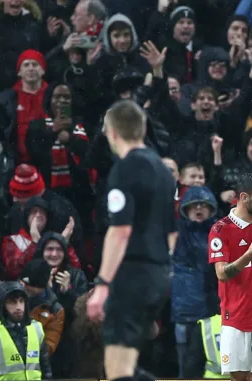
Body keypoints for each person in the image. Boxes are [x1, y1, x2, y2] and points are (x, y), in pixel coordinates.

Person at [85, 100, 177, 381]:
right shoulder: (164, 171)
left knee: (118, 371)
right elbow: (172, 232)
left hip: (132, 275)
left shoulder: (125, 168)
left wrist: (101, 285)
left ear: (112, 132)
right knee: (128, 369)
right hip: (158, 275)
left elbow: (120, 231)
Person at [207, 173, 252, 381]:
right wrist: (249, 254)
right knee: (241, 377)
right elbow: (222, 274)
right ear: (243, 197)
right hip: (236, 316)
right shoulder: (220, 230)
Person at [0, 281, 53, 379]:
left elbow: (46, 372)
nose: (18, 307)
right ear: (2, 305)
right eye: (12, 302)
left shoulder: (36, 328)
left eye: (21, 301)